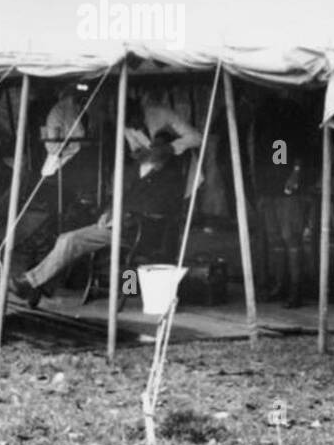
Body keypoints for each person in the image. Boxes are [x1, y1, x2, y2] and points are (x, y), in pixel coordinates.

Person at [10, 92, 200, 306]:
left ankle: (32, 282)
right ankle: (39, 284)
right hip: (120, 223)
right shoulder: (141, 173)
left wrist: (121, 215)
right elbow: (125, 195)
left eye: (158, 149)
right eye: (152, 148)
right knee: (66, 237)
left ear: (167, 152)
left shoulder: (169, 181)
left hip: (136, 230)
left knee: (71, 240)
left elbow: (153, 209)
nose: (152, 152)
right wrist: (110, 211)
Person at [250, 91, 315, 307]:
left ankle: (296, 290)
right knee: (275, 238)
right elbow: (258, 154)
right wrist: (260, 189)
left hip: (287, 187)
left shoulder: (293, 112)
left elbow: (300, 148)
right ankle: (280, 284)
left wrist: (295, 173)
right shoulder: (262, 112)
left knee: (291, 238)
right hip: (268, 187)